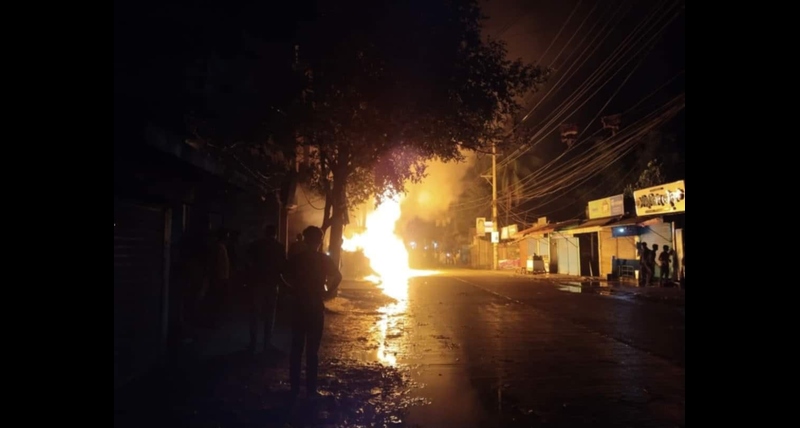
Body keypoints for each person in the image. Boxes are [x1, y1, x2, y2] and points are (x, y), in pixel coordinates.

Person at [282, 226, 342, 399]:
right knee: (312, 351)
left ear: (305, 240)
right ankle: (311, 390)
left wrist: (290, 289)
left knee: (296, 348)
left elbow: (282, 274)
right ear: (320, 241)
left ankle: (294, 388)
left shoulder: (297, 259)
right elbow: (338, 276)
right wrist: (328, 292)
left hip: (299, 306)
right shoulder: (323, 259)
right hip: (315, 306)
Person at [246, 224, 286, 353]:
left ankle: (253, 342)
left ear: (265, 232)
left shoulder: (255, 245)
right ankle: (267, 343)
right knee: (270, 314)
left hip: (256, 283)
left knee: (255, 313)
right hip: (272, 283)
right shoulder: (279, 247)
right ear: (275, 233)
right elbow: (282, 267)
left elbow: (248, 262)